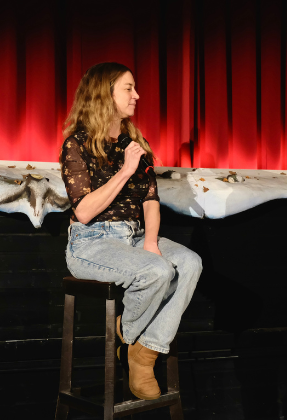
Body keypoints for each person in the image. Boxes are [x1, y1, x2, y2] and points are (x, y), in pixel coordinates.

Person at [59, 62, 202, 401]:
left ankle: (144, 350)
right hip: (91, 243)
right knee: (157, 270)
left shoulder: (136, 142)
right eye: (128, 88)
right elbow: (84, 211)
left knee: (190, 263)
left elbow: (150, 200)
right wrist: (125, 170)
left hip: (135, 235)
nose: (137, 95)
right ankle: (135, 339)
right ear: (103, 94)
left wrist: (150, 242)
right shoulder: (76, 145)